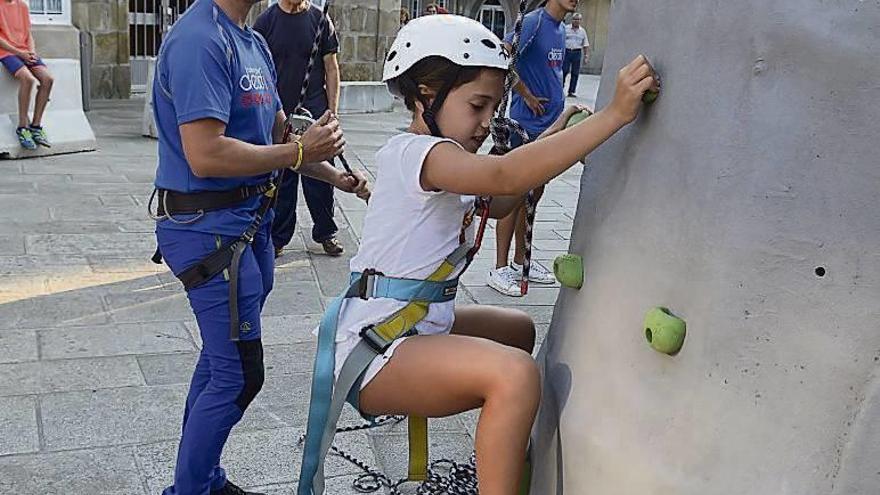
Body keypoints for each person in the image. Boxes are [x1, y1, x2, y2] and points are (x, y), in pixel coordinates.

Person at [297, 14, 658, 495]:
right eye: (477, 105)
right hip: (378, 351)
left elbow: (506, 194)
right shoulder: (418, 154)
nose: (488, 122)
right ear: (427, 95)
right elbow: (504, 177)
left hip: (409, 324)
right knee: (515, 375)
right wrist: (614, 115)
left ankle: (498, 455)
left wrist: (553, 133)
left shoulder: (450, 161)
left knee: (518, 331)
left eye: (494, 106)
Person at [150, 0, 368, 492]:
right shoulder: (199, 39)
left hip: (251, 225)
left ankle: (202, 478)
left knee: (220, 361)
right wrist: (298, 150)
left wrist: (336, 175)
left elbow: (277, 134)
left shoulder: (251, 41)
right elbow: (204, 154)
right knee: (239, 376)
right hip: (209, 231)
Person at [486, 0, 576, 297]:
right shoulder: (535, 22)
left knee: (533, 196)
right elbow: (502, 58)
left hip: (551, 126)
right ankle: (499, 268)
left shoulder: (561, 27)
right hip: (525, 124)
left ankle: (521, 261)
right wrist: (526, 95)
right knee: (512, 194)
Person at [254, 0, 345, 258]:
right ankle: (278, 237)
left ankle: (326, 232)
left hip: (315, 111)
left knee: (322, 178)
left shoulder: (320, 19)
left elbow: (331, 67)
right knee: (283, 177)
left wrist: (332, 112)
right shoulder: (266, 21)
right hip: (281, 112)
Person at [0, 0, 53, 150]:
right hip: (6, 52)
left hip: (24, 51)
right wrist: (19, 53)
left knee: (48, 79)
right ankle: (23, 128)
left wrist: (31, 52)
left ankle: (36, 126)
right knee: (28, 79)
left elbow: (28, 34)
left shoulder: (22, 6)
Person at [563, 12, 590, 97]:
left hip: (577, 52)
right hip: (566, 52)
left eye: (578, 20)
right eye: (575, 19)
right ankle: (560, 89)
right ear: (572, 20)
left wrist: (586, 56)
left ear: (580, 21)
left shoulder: (582, 31)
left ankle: (571, 91)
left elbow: (585, 44)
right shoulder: (565, 29)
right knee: (564, 70)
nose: (576, 21)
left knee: (575, 73)